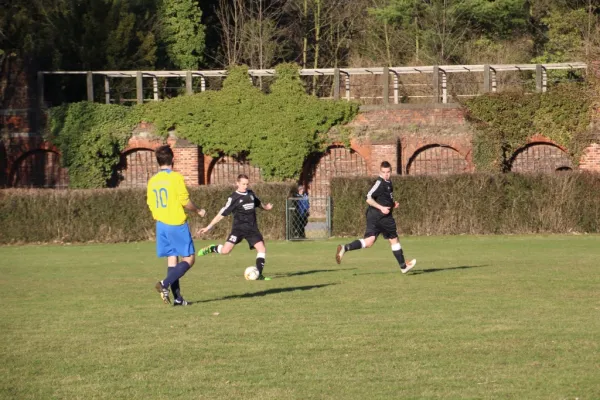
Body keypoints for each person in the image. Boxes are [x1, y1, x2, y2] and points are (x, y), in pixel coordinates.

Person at [147, 145, 206, 305]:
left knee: (172, 260)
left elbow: (150, 204)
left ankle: (178, 299)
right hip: (175, 223)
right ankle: (164, 284)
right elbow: (185, 201)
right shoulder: (175, 177)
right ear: (173, 159)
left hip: (161, 225)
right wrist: (199, 210)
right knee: (189, 259)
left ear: (158, 161)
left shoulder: (152, 181)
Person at [335, 161, 416, 274]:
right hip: (382, 217)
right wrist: (381, 208)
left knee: (369, 242)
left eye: (388, 172)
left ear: (391, 172)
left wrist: (392, 204)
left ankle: (345, 248)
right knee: (394, 239)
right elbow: (368, 197)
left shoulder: (388, 182)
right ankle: (403, 266)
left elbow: (384, 198)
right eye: (383, 172)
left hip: (373, 216)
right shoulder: (380, 182)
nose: (386, 174)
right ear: (380, 171)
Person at [197, 174, 273, 280]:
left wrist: (266, 207)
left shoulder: (251, 194)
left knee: (262, 249)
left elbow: (258, 203)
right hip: (238, 229)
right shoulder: (233, 198)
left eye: (247, 184)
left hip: (252, 229)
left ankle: (259, 274)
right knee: (225, 251)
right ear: (237, 183)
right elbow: (221, 214)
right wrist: (208, 227)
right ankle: (212, 248)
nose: (245, 186)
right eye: (243, 184)